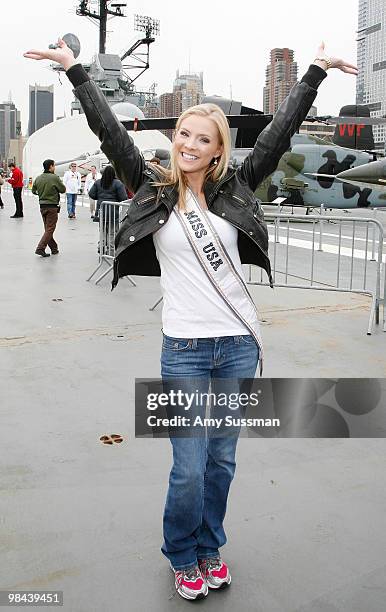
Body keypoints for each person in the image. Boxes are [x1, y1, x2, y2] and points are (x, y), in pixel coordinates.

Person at [24, 39, 357, 602]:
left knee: (222, 461)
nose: (190, 145)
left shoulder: (237, 188)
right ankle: (181, 553)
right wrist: (75, 71)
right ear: (174, 140)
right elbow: (111, 133)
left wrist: (315, 74)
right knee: (188, 467)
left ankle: (209, 547)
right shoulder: (151, 188)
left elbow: (275, 137)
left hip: (237, 347)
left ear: (218, 150)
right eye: (184, 135)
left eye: (204, 139)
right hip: (184, 349)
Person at [88, 164, 127, 251]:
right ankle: (111, 249)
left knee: (102, 230)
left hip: (101, 210)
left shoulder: (98, 182)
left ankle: (101, 247)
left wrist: (100, 197)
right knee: (112, 232)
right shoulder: (118, 183)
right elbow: (123, 198)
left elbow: (91, 194)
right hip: (113, 211)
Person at [32, 159, 66, 257]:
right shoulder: (54, 177)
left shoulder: (38, 178)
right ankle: (40, 248)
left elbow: (34, 191)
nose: (54, 167)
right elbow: (63, 189)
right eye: (54, 166)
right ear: (50, 167)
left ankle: (54, 248)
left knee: (48, 228)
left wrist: (42, 193)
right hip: (52, 206)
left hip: (42, 206)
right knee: (50, 229)